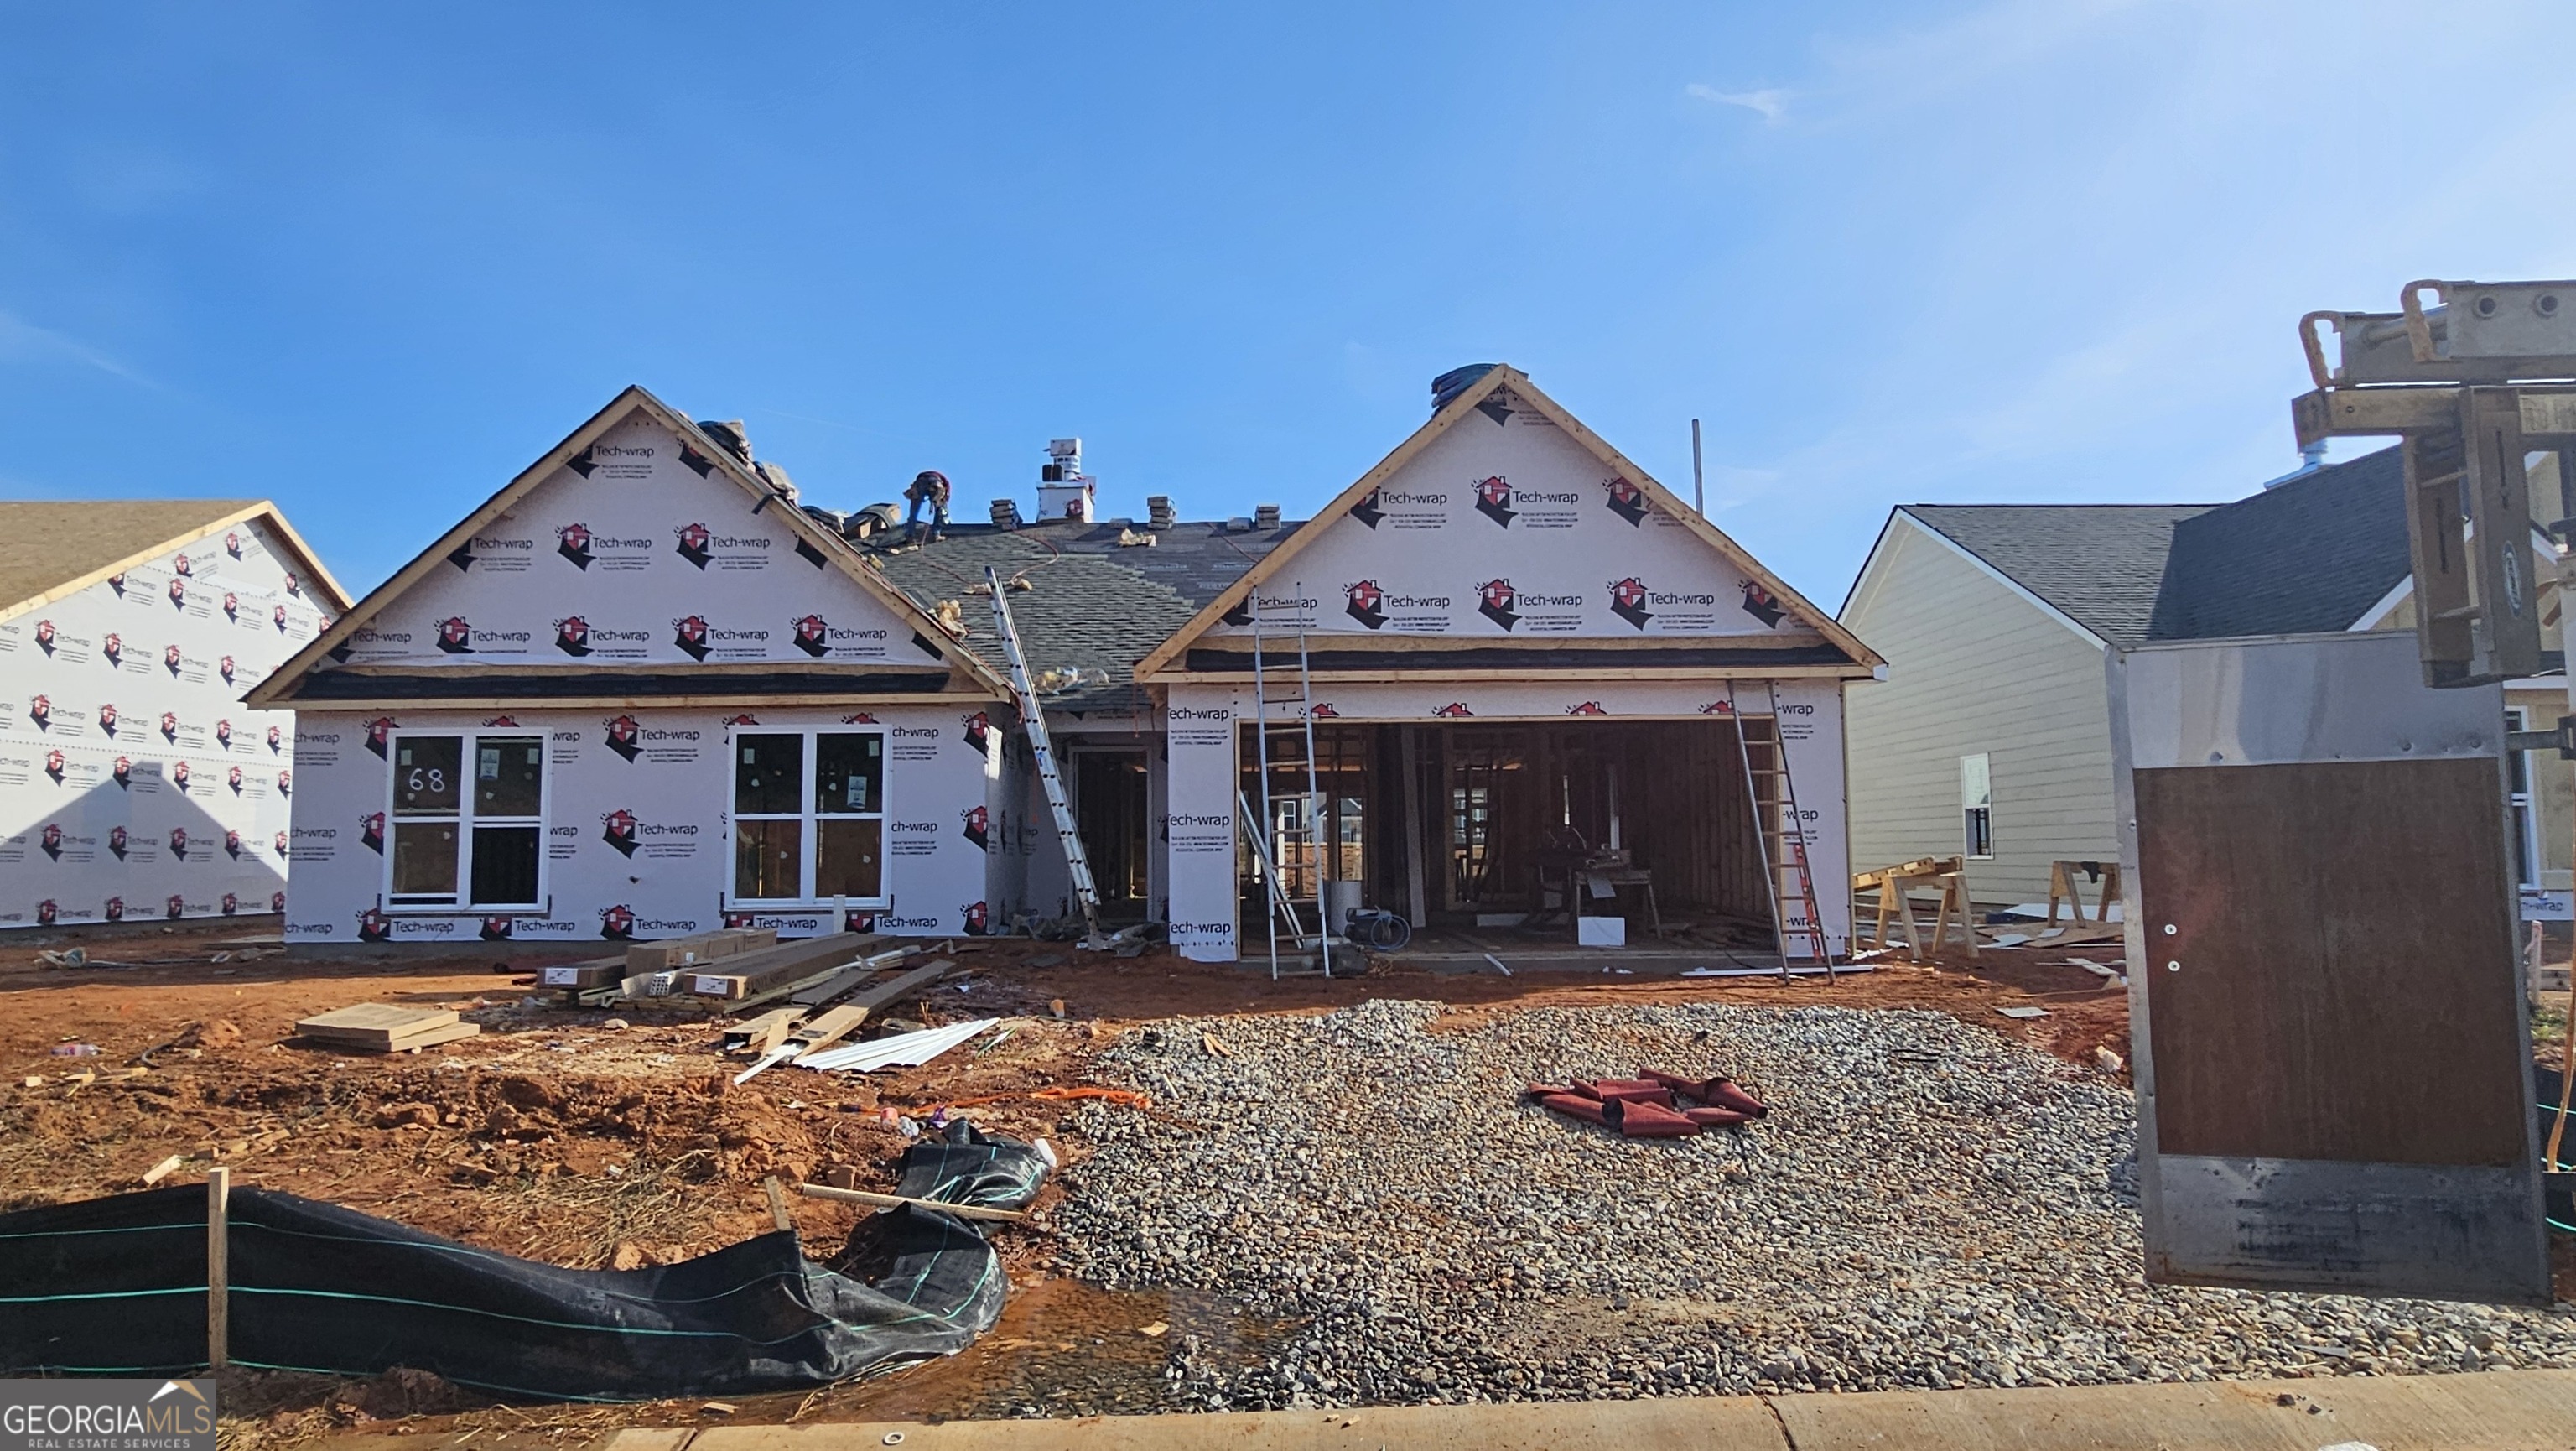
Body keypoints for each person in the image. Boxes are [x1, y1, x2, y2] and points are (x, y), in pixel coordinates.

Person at [902, 470, 951, 543]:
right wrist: (944, 500)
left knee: (914, 511)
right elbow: (946, 491)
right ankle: (936, 534)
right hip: (935, 483)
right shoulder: (945, 482)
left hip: (921, 482)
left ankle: (910, 535)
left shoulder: (921, 477)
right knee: (940, 509)